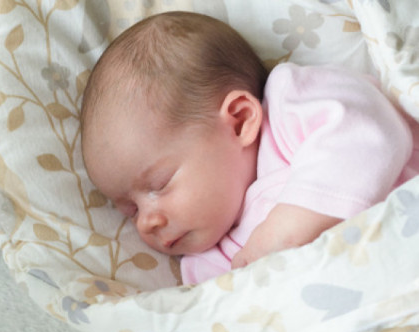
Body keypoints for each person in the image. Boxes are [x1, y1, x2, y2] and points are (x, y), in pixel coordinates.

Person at [80, 11, 417, 285]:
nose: (145, 224)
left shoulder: (292, 108)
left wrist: (284, 231)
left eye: (158, 185)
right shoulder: (212, 266)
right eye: (131, 210)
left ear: (240, 120)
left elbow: (371, 132)